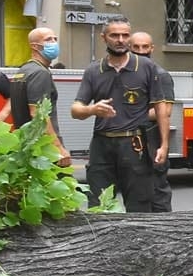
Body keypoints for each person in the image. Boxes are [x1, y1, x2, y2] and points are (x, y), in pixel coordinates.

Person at [71, 15, 167, 212]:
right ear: (104, 37)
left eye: (125, 35)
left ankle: (138, 233)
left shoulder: (146, 67)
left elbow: (160, 107)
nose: (121, 40)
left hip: (134, 146)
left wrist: (164, 145)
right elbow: (76, 109)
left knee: (139, 206)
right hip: (101, 146)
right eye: (114, 35)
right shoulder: (93, 70)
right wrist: (92, 109)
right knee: (99, 205)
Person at [9, 26, 72, 167]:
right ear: (35, 46)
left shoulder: (23, 71)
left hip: (26, 145)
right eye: (48, 39)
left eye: (55, 39)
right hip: (44, 148)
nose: (54, 43)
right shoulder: (40, 73)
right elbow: (38, 114)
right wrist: (58, 147)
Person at [129, 32, 177, 212]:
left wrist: (129, 115)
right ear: (129, 48)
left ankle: (163, 225)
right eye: (136, 47)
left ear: (152, 48)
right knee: (136, 190)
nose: (141, 51)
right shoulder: (127, 74)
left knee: (157, 190)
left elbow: (165, 111)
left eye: (145, 47)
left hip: (152, 141)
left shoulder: (161, 75)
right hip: (132, 140)